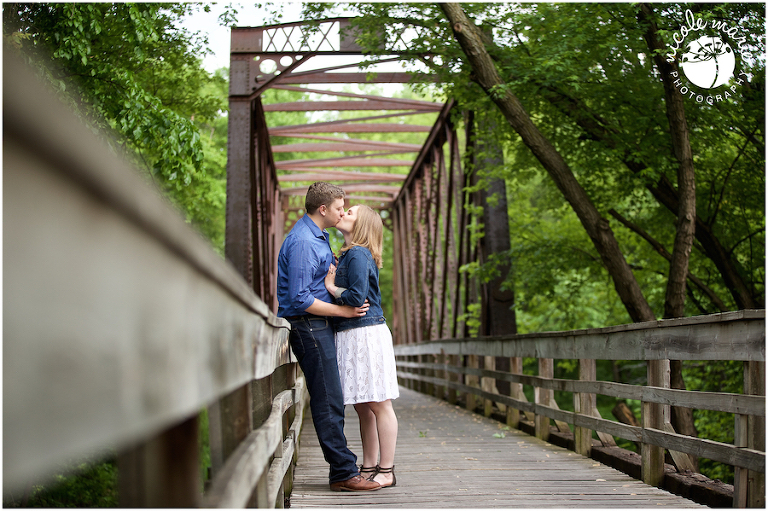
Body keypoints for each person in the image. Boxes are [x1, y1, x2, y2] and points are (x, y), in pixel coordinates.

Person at [277, 182, 381, 492]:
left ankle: (343, 470)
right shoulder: (304, 242)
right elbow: (298, 298)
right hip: (309, 326)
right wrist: (345, 312)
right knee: (328, 400)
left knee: (331, 398)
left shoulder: (318, 238)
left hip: (318, 326)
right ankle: (343, 473)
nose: (342, 213)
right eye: (339, 208)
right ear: (323, 209)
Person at [324, 204, 400, 489]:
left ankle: (387, 470)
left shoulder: (357, 253)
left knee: (379, 403)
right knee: (362, 405)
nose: (342, 213)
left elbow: (357, 298)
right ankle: (368, 465)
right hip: (354, 333)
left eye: (350, 212)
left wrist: (332, 288)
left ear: (362, 225)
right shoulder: (350, 254)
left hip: (365, 333)